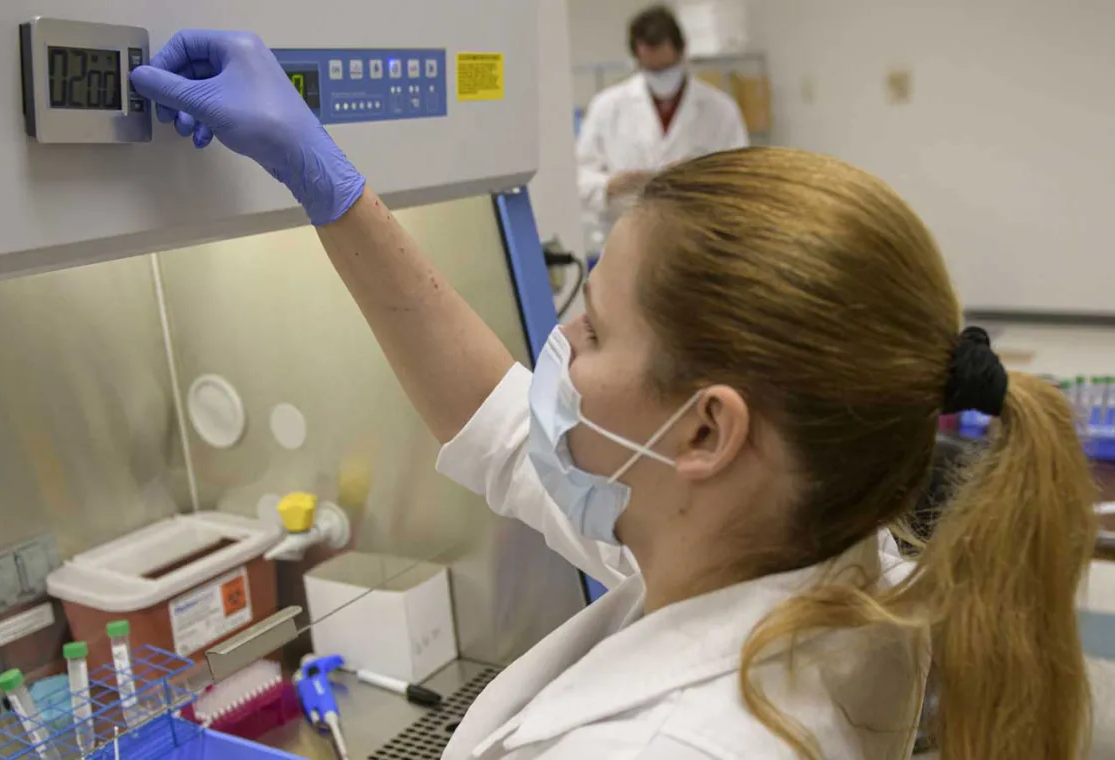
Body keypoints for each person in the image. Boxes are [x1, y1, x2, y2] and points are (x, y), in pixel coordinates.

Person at [131, 30, 1098, 760]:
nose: (557, 345)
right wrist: (326, 184)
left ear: (708, 429)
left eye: (590, 328)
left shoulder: (665, 743)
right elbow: (502, 425)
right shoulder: (809, 555)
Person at [576, 5, 749, 250]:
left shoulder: (719, 109)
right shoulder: (607, 107)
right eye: (652, 70)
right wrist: (610, 185)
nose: (661, 77)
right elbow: (579, 178)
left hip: (699, 243)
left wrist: (701, 176)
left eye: (667, 69)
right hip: (628, 244)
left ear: (682, 53)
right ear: (637, 60)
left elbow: (743, 178)